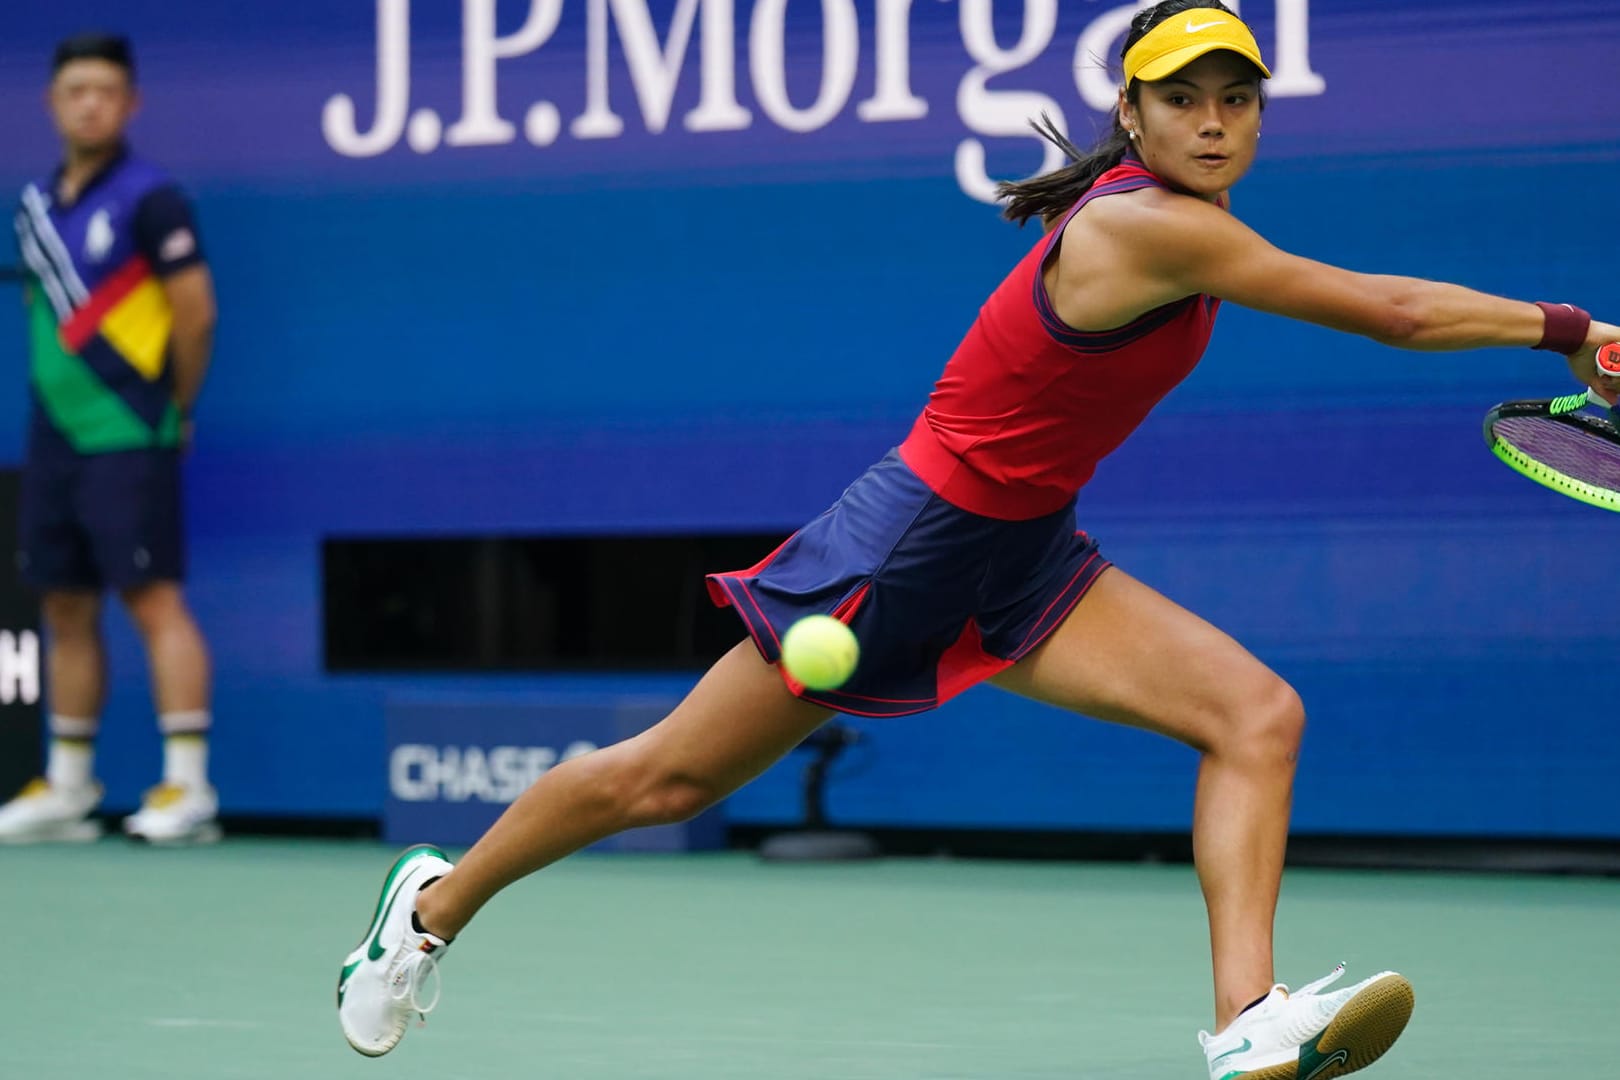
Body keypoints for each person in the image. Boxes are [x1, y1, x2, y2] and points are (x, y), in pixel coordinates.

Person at [334, 3, 1620, 1076]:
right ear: (1135, 115)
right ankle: (430, 910)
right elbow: (1391, 312)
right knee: (662, 781)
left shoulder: (1186, 224)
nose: (1214, 121)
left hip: (1025, 552)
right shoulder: (1144, 226)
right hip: (904, 549)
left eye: (1239, 97)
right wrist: (1574, 329)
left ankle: (1245, 1025)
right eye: (1185, 99)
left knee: (1255, 716)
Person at [0, 32, 220, 845]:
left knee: (153, 596)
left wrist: (175, 407)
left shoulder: (152, 198)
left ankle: (188, 786)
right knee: (63, 602)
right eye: (74, 90)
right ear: (53, 103)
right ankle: (67, 786)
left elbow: (195, 313)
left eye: (105, 91)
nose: (89, 103)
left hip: (132, 428)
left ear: (129, 104)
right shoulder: (32, 208)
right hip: (55, 434)